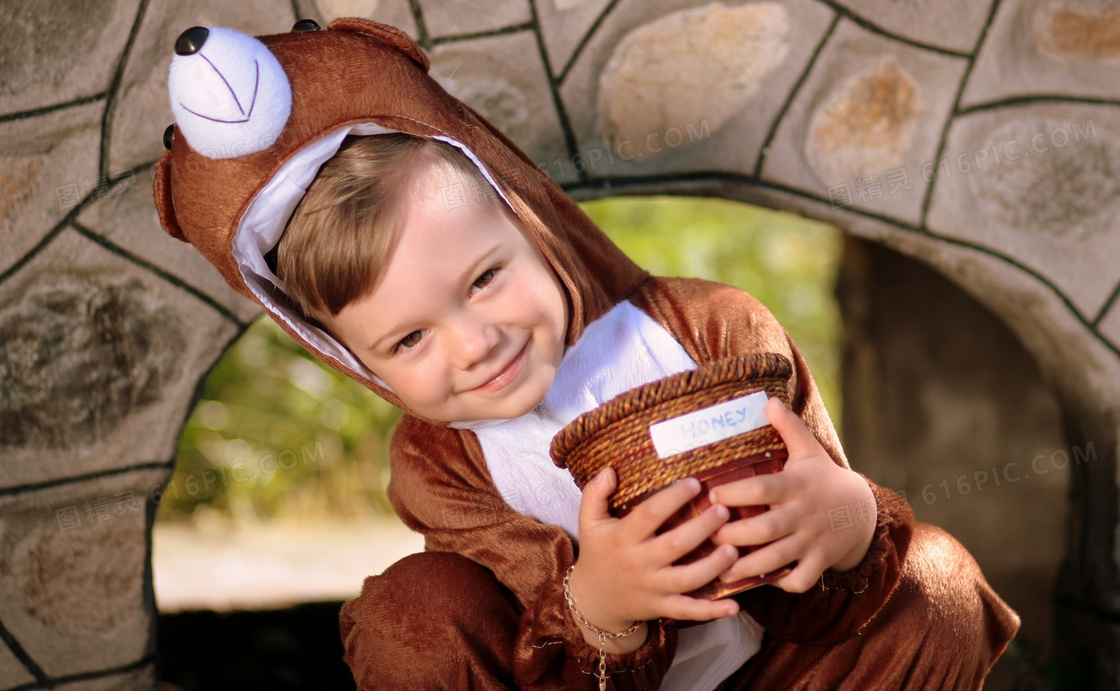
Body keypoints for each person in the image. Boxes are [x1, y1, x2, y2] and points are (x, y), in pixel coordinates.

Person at [154, 18, 1020, 690]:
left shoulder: (709, 330)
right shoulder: (439, 464)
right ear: (358, 363)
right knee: (407, 611)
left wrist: (844, 520)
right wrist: (600, 609)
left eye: (486, 277)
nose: (475, 341)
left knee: (935, 577)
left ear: (528, 222)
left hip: (781, 664)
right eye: (409, 339)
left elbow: (831, 548)